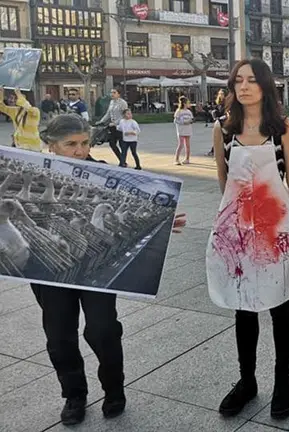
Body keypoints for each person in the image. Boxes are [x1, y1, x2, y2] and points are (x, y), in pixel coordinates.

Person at [35, 114, 187, 426]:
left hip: (97, 264)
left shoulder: (104, 174)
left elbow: (132, 212)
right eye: (71, 145)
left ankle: (114, 388)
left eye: (84, 143)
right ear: (51, 146)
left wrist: (164, 221)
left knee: (102, 329)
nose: (79, 150)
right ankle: (74, 394)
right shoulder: (37, 178)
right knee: (59, 334)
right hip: (51, 269)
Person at [212, 58, 289, 420]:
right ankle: (247, 381)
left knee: (280, 303)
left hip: (278, 228)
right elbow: (223, 182)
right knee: (243, 306)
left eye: (252, 80)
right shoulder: (222, 129)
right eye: (238, 80)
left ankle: (282, 381)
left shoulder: (282, 127)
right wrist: (227, 227)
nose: (243, 87)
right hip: (239, 229)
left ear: (265, 86)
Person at [98, 88, 129, 163]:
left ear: (118, 94)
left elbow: (124, 115)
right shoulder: (111, 102)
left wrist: (116, 123)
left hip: (121, 127)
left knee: (122, 145)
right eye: (111, 92)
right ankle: (122, 160)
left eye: (114, 92)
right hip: (112, 127)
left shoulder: (123, 103)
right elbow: (108, 114)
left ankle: (122, 162)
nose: (112, 94)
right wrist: (101, 121)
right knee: (112, 144)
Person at [173, 96, 194, 165]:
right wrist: (183, 122)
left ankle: (187, 159)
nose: (188, 104)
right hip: (181, 130)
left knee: (187, 145)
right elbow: (175, 120)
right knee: (181, 144)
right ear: (184, 103)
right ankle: (176, 159)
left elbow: (192, 119)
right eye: (187, 103)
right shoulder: (178, 111)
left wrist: (190, 121)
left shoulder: (189, 111)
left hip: (188, 130)